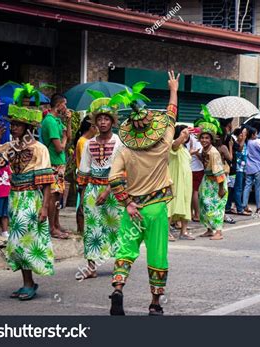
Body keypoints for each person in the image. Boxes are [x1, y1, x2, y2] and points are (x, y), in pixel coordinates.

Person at [108, 71, 180, 316]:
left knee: (125, 251)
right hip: (156, 207)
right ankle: (155, 304)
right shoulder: (163, 144)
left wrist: (127, 202)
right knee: (157, 254)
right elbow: (171, 114)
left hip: (133, 209)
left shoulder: (125, 151)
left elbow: (114, 179)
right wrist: (173, 89)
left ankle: (118, 289)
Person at [0, 99, 55, 301]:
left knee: (26, 241)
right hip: (15, 198)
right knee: (17, 242)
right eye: (12, 125)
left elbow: (46, 182)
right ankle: (27, 282)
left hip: (31, 199)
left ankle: (29, 283)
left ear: (27, 128)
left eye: (17, 125)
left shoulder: (39, 149)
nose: (14, 128)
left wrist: (44, 207)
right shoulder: (11, 147)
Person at [76, 97, 124, 280]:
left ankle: (119, 264)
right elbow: (84, 171)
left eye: (106, 119)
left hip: (114, 190)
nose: (103, 122)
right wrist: (82, 198)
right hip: (93, 190)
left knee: (116, 226)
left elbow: (120, 170)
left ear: (112, 122)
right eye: (100, 119)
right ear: (95, 122)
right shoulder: (88, 143)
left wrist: (107, 190)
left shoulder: (119, 142)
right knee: (92, 227)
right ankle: (91, 266)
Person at [40, 93, 72, 239]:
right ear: (59, 105)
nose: (66, 107)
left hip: (59, 163)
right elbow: (60, 147)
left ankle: (57, 224)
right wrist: (64, 138)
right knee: (53, 196)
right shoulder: (50, 121)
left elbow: (69, 136)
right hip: (52, 163)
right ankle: (52, 228)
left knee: (58, 195)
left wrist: (69, 121)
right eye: (64, 104)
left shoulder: (58, 120)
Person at [195, 107, 228, 240]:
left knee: (215, 206)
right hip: (207, 180)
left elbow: (219, 171)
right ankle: (209, 229)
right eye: (202, 138)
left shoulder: (213, 152)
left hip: (216, 182)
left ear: (211, 139)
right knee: (204, 204)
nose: (204, 140)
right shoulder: (204, 150)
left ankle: (218, 231)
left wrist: (221, 189)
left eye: (207, 138)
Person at [168, 125, 194, 240]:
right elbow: (174, 146)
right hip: (176, 179)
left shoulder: (184, 147)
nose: (186, 134)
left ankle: (183, 232)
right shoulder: (174, 144)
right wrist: (182, 135)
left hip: (186, 181)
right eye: (183, 132)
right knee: (172, 204)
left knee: (186, 203)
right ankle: (166, 231)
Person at [74, 115, 97, 235]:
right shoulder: (83, 142)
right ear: (92, 127)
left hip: (87, 176)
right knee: (82, 203)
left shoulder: (86, 141)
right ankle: (81, 229)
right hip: (84, 176)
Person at [226, 127, 250, 215]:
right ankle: (239, 209)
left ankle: (228, 207)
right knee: (237, 189)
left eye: (244, 135)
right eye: (241, 135)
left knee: (232, 189)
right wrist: (243, 139)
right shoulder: (235, 144)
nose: (243, 136)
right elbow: (240, 151)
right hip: (237, 169)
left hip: (241, 169)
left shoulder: (242, 144)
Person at [242, 127, 260, 214]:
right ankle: (258, 207)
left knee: (247, 187)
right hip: (258, 167)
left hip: (249, 167)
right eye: (256, 134)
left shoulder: (247, 142)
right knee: (257, 188)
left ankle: (244, 205)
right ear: (252, 135)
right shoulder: (255, 143)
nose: (257, 135)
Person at [185, 132, 204, 222]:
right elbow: (201, 157)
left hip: (188, 169)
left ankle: (191, 213)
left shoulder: (183, 142)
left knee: (191, 192)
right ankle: (197, 214)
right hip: (197, 169)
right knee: (195, 192)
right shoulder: (197, 142)